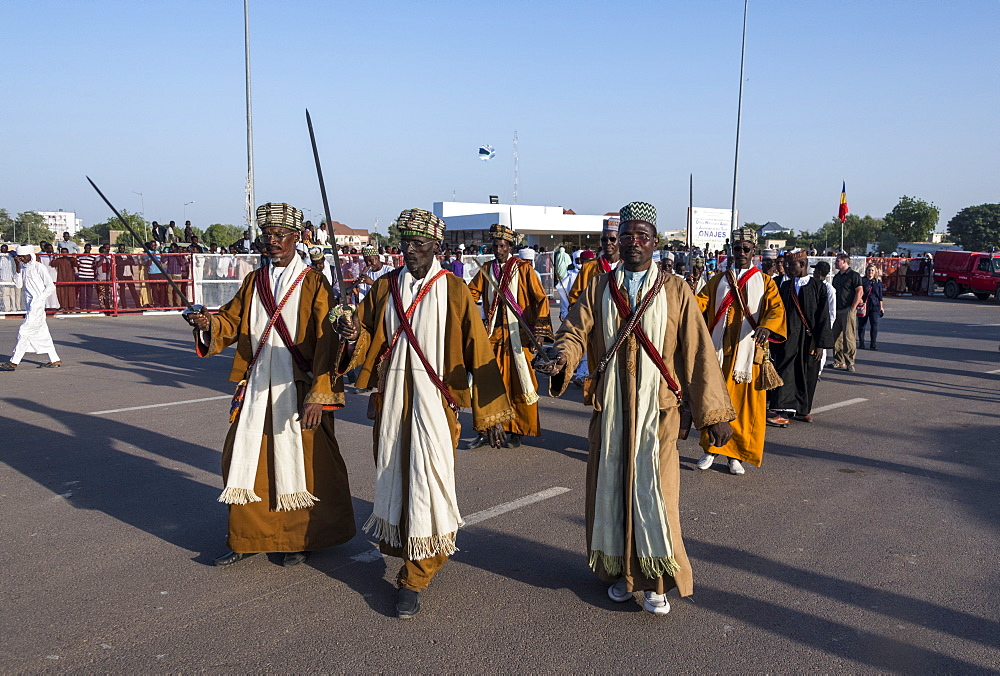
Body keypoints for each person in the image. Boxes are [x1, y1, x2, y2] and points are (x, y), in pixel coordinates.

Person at [539, 202, 736, 616]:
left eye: (641, 236)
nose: (632, 244)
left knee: (656, 497)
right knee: (612, 492)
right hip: (610, 410)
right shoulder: (597, 287)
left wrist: (714, 414)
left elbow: (699, 351)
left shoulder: (677, 290)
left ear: (655, 242)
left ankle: (657, 582)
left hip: (659, 412)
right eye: (625, 236)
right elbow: (574, 330)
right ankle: (624, 575)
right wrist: (562, 357)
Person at [335, 208, 512, 619]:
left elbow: (478, 349)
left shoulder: (453, 290)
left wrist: (490, 412)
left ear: (437, 246)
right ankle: (406, 551)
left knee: (430, 482)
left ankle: (417, 574)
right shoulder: (384, 288)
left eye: (418, 244)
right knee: (394, 475)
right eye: (405, 243)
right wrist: (350, 334)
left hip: (436, 402)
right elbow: (362, 337)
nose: (409, 250)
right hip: (392, 402)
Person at [184, 202, 356, 567]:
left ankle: (296, 538)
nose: (272, 241)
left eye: (280, 235)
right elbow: (229, 323)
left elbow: (328, 344)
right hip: (257, 383)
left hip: (298, 387)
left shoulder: (313, 283)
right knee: (245, 459)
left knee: (304, 462)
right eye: (267, 235)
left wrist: (319, 396)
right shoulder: (253, 281)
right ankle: (246, 537)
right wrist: (206, 324)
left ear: (297, 237)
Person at [695, 227, 785, 475]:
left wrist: (766, 326)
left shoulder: (765, 282)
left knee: (745, 408)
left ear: (754, 251)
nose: (742, 253)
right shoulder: (717, 280)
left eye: (746, 249)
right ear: (731, 251)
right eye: (737, 249)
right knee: (714, 400)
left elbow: (776, 309)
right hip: (719, 352)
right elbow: (698, 303)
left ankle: (737, 457)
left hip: (748, 357)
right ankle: (711, 450)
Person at [467, 223, 552, 449]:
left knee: (518, 383)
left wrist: (540, 332)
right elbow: (470, 293)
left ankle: (516, 430)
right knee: (486, 382)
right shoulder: (486, 269)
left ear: (510, 247)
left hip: (519, 335)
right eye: (495, 245)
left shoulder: (523, 269)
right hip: (493, 335)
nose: (498, 249)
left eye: (502, 245)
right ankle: (485, 429)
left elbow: (541, 299)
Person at [767, 250, 835, 425]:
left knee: (808, 374)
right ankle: (782, 412)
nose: (788, 268)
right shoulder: (784, 286)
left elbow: (823, 317)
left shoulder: (819, 287)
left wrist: (820, 344)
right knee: (786, 371)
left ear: (803, 265)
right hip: (788, 340)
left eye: (792, 265)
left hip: (809, 340)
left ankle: (803, 410)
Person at [1, 246, 62, 371]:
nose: (21, 259)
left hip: (37, 305)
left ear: (29, 255)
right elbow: (18, 285)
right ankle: (55, 359)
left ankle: (14, 362)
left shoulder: (39, 267)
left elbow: (50, 286)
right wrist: (17, 267)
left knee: (24, 331)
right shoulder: (23, 267)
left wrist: (40, 299)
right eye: (19, 257)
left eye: (23, 257)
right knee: (43, 333)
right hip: (30, 305)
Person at [568, 220, 622, 305]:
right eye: (604, 239)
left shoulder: (626, 266)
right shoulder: (589, 267)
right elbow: (575, 296)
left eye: (612, 239)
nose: (608, 243)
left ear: (619, 240)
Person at [831, 253, 863, 371]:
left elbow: (859, 291)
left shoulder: (853, 275)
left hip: (847, 309)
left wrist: (853, 308)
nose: (835, 263)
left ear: (844, 262)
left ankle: (850, 362)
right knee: (835, 337)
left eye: (837, 261)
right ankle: (839, 360)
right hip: (837, 310)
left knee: (848, 337)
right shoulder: (837, 277)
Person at [857, 264, 885, 350]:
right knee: (861, 325)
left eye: (872, 270)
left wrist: (881, 307)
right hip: (864, 305)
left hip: (874, 305)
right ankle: (861, 342)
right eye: (869, 270)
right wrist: (860, 300)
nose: (870, 272)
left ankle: (873, 344)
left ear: (875, 272)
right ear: (866, 271)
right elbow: (859, 292)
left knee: (874, 325)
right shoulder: (862, 281)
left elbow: (880, 296)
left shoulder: (878, 282)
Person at [115, 243, 143, 309]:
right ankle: (124, 306)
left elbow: (132, 262)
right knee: (122, 291)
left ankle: (138, 305)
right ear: (118, 248)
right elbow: (119, 263)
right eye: (120, 248)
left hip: (129, 274)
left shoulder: (128, 254)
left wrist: (125, 261)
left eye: (123, 248)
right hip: (121, 275)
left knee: (133, 290)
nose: (122, 249)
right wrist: (127, 261)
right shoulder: (116, 255)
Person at [0, 245, 17, 312]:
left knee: (12, 294)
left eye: (4, 249)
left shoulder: (10, 256)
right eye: (2, 249)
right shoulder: (0, 257)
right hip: (3, 278)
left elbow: (15, 253)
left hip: (11, 278)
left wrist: (9, 252)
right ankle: (7, 308)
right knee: (5, 294)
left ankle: (14, 308)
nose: (3, 250)